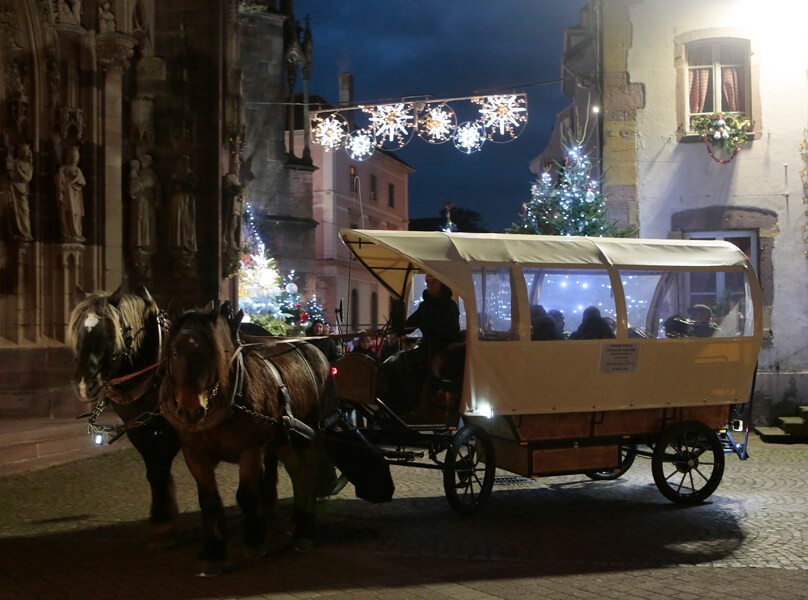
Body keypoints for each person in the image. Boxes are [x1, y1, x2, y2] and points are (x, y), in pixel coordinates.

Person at [405, 274, 461, 361]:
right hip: (427, 348)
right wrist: (399, 326)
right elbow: (410, 323)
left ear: (442, 283)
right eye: (427, 282)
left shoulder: (450, 306)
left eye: (434, 282)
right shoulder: (425, 306)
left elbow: (451, 332)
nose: (429, 285)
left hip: (444, 351)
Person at [55, 146, 86, 242]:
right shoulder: (63, 169)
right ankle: (67, 233)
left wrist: (73, 181)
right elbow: (58, 181)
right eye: (72, 155)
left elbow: (82, 181)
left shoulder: (78, 170)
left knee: (76, 215)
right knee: (66, 214)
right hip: (66, 196)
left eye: (76, 156)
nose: (74, 158)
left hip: (75, 197)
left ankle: (76, 233)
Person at [168, 154, 196, 254]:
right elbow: (169, 188)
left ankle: (186, 242)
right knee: (176, 221)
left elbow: (192, 187)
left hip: (185, 201)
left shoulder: (189, 175)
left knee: (185, 222)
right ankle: (177, 242)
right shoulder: (175, 175)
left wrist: (180, 185)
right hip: (176, 200)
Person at [6, 143, 34, 242]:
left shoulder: (28, 164)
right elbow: (10, 173)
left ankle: (25, 232)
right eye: (24, 150)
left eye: (27, 151)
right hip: (14, 189)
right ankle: (17, 232)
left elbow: (28, 178)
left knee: (25, 212)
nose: (25, 152)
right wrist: (9, 152)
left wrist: (18, 170)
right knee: (14, 211)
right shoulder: (15, 162)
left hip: (23, 191)